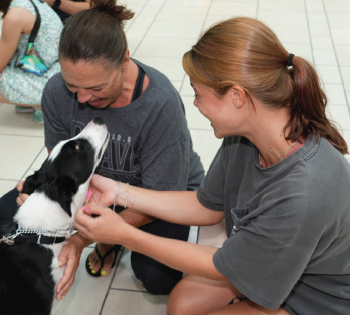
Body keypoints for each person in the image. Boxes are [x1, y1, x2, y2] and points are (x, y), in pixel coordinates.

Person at [73, 17, 350, 315]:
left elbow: (222, 265)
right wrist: (118, 191)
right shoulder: (248, 136)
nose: (194, 103)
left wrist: (124, 235)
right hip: (274, 264)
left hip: (320, 297)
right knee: (180, 305)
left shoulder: (304, 191)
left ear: (236, 96)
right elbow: (206, 206)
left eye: (197, 93)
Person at [0, 0, 204, 299]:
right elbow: (59, 160)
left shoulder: (160, 105)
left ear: (124, 60)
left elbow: (163, 194)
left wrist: (83, 238)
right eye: (73, 85)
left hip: (156, 197)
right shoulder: (56, 90)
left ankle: (111, 241)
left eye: (96, 87)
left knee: (158, 280)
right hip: (93, 190)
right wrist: (40, 195)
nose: (82, 98)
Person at [0, 0, 62, 124]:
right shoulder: (30, 2)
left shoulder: (15, 16)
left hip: (51, 81)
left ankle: (43, 106)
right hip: (58, 69)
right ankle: (30, 102)